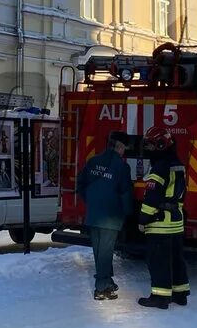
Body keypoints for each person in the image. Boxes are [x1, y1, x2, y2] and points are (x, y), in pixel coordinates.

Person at [75, 131, 134, 300]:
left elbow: (81, 183)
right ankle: (101, 287)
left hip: (94, 214)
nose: (124, 151)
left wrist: (91, 202)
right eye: (124, 148)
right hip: (111, 215)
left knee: (99, 251)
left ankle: (107, 282)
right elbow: (125, 193)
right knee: (105, 252)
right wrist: (128, 212)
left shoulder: (93, 161)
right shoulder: (122, 167)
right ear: (119, 147)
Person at [136, 127, 189, 310]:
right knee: (176, 260)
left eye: (150, 145)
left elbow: (152, 198)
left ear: (160, 145)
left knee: (158, 261)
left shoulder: (159, 168)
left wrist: (143, 220)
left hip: (160, 224)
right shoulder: (178, 164)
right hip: (175, 222)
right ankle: (180, 294)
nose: (148, 149)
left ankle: (160, 297)